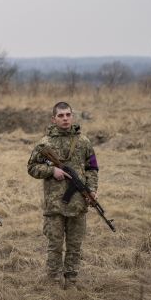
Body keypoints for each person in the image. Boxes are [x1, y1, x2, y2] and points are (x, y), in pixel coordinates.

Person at [26, 101, 99, 288]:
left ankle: (72, 280)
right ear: (54, 119)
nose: (65, 119)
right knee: (55, 246)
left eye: (68, 115)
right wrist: (52, 172)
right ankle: (53, 281)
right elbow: (32, 167)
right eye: (61, 115)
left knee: (75, 246)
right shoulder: (45, 143)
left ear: (72, 116)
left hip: (78, 204)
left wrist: (91, 189)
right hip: (54, 205)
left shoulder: (84, 142)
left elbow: (92, 168)